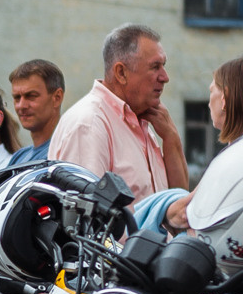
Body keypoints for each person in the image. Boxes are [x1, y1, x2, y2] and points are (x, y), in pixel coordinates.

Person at [47, 23, 188, 200]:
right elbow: (85, 217)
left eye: (164, 66)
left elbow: (178, 201)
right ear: (121, 73)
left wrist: (171, 138)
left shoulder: (142, 119)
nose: (165, 77)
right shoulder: (90, 124)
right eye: (155, 67)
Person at [159, 58, 243, 231]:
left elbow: (185, 214)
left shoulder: (234, 158)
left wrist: (156, 208)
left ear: (225, 98)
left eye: (211, 91)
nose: (208, 103)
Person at [5, 59, 65, 168]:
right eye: (17, 98)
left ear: (57, 98)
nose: (21, 106)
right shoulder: (18, 157)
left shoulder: (63, 154)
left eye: (31, 96)